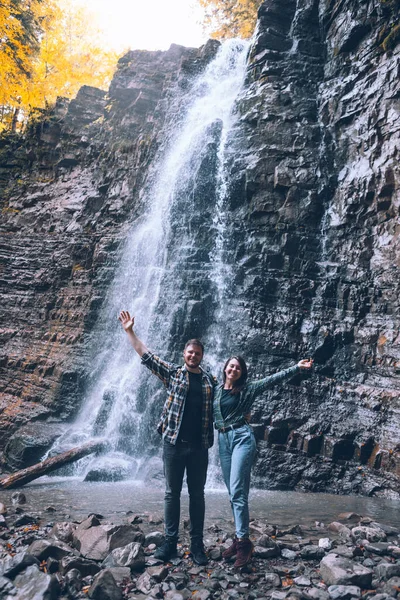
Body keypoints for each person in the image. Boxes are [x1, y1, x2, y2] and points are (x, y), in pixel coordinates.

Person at [118, 310, 216, 565]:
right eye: (190, 352)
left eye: (197, 353)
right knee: (172, 494)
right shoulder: (173, 374)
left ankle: (197, 546)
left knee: (197, 495)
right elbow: (146, 355)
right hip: (173, 444)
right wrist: (129, 331)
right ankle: (170, 543)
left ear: (202, 356)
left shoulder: (210, 382)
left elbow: (230, 394)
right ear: (184, 354)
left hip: (199, 448)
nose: (193, 356)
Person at [214, 355, 313, 568]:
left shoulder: (247, 389)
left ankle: (243, 544)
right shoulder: (214, 389)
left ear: (242, 372)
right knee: (232, 493)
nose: (233, 370)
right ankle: (240, 538)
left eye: (238, 368)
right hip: (222, 440)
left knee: (238, 492)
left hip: (241, 437)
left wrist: (296, 366)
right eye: (231, 366)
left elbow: (272, 380)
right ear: (225, 369)